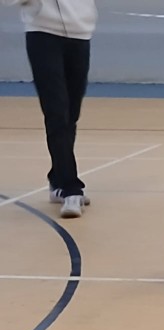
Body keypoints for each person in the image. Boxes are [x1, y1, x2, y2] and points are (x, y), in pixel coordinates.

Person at [3, 0, 96, 218]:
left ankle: (58, 180)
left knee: (71, 114)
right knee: (56, 111)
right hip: (42, 34)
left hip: (80, 33)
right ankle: (71, 188)